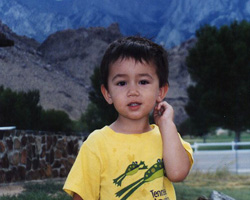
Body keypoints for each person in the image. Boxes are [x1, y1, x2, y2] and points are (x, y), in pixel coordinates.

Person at [63, 36, 193, 200]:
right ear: (108, 94)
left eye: (143, 82)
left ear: (160, 91)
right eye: (122, 83)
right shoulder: (96, 144)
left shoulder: (167, 137)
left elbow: (178, 173)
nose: (133, 91)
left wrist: (166, 124)